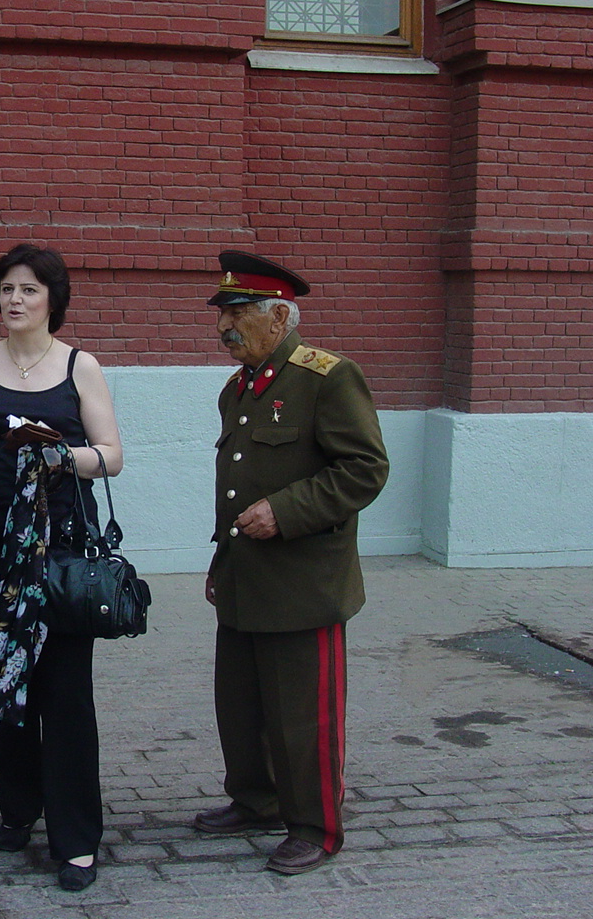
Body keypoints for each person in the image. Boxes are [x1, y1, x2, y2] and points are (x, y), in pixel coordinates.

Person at [0, 243, 123, 892]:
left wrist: (60, 455)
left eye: (29, 289)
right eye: (7, 288)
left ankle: (76, 839)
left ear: (52, 300)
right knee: (4, 669)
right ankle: (18, 805)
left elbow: (112, 454)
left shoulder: (79, 366)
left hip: (60, 544)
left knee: (64, 686)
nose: (15, 299)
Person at [195, 250, 389, 875]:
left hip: (304, 581)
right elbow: (237, 482)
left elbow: (364, 469)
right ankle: (257, 801)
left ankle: (315, 826)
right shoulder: (238, 389)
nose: (224, 328)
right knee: (241, 705)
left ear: (279, 317)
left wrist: (286, 510)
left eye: (238, 314)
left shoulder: (328, 377)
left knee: (304, 715)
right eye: (222, 315)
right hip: (246, 574)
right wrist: (222, 559)